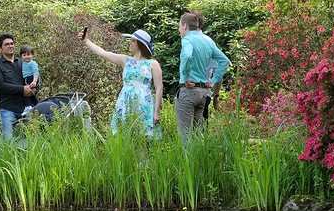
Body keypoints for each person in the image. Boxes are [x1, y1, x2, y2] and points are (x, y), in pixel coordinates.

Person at [80, 27, 163, 137]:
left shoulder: (152, 63)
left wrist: (156, 112)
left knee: (143, 140)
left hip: (144, 104)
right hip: (125, 102)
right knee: (125, 136)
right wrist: (86, 41)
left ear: (141, 44)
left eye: (133, 41)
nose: (130, 43)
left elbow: (159, 88)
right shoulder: (125, 60)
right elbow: (103, 53)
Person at [175, 11, 230, 141]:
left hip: (189, 91)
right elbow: (224, 61)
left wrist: (185, 76)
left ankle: (187, 161)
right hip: (203, 93)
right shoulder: (208, 42)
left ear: (185, 26)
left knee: (185, 137)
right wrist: (213, 80)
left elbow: (188, 56)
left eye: (179, 26)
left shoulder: (187, 40)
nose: (179, 30)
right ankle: (199, 161)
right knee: (197, 136)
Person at [0, 33, 36, 140]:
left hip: (27, 108)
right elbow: (0, 85)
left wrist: (34, 89)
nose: (10, 46)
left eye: (12, 43)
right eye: (6, 44)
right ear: (0, 48)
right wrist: (22, 89)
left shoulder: (23, 62)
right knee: (9, 141)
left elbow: (35, 78)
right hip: (8, 109)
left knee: (29, 141)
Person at [20, 45, 40, 114]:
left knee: (25, 93)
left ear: (32, 55)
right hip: (26, 79)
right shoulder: (23, 63)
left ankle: (27, 107)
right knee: (31, 94)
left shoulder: (32, 63)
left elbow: (35, 72)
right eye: (24, 55)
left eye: (28, 54)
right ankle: (38, 105)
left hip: (31, 78)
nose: (27, 56)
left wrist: (34, 81)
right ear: (21, 56)